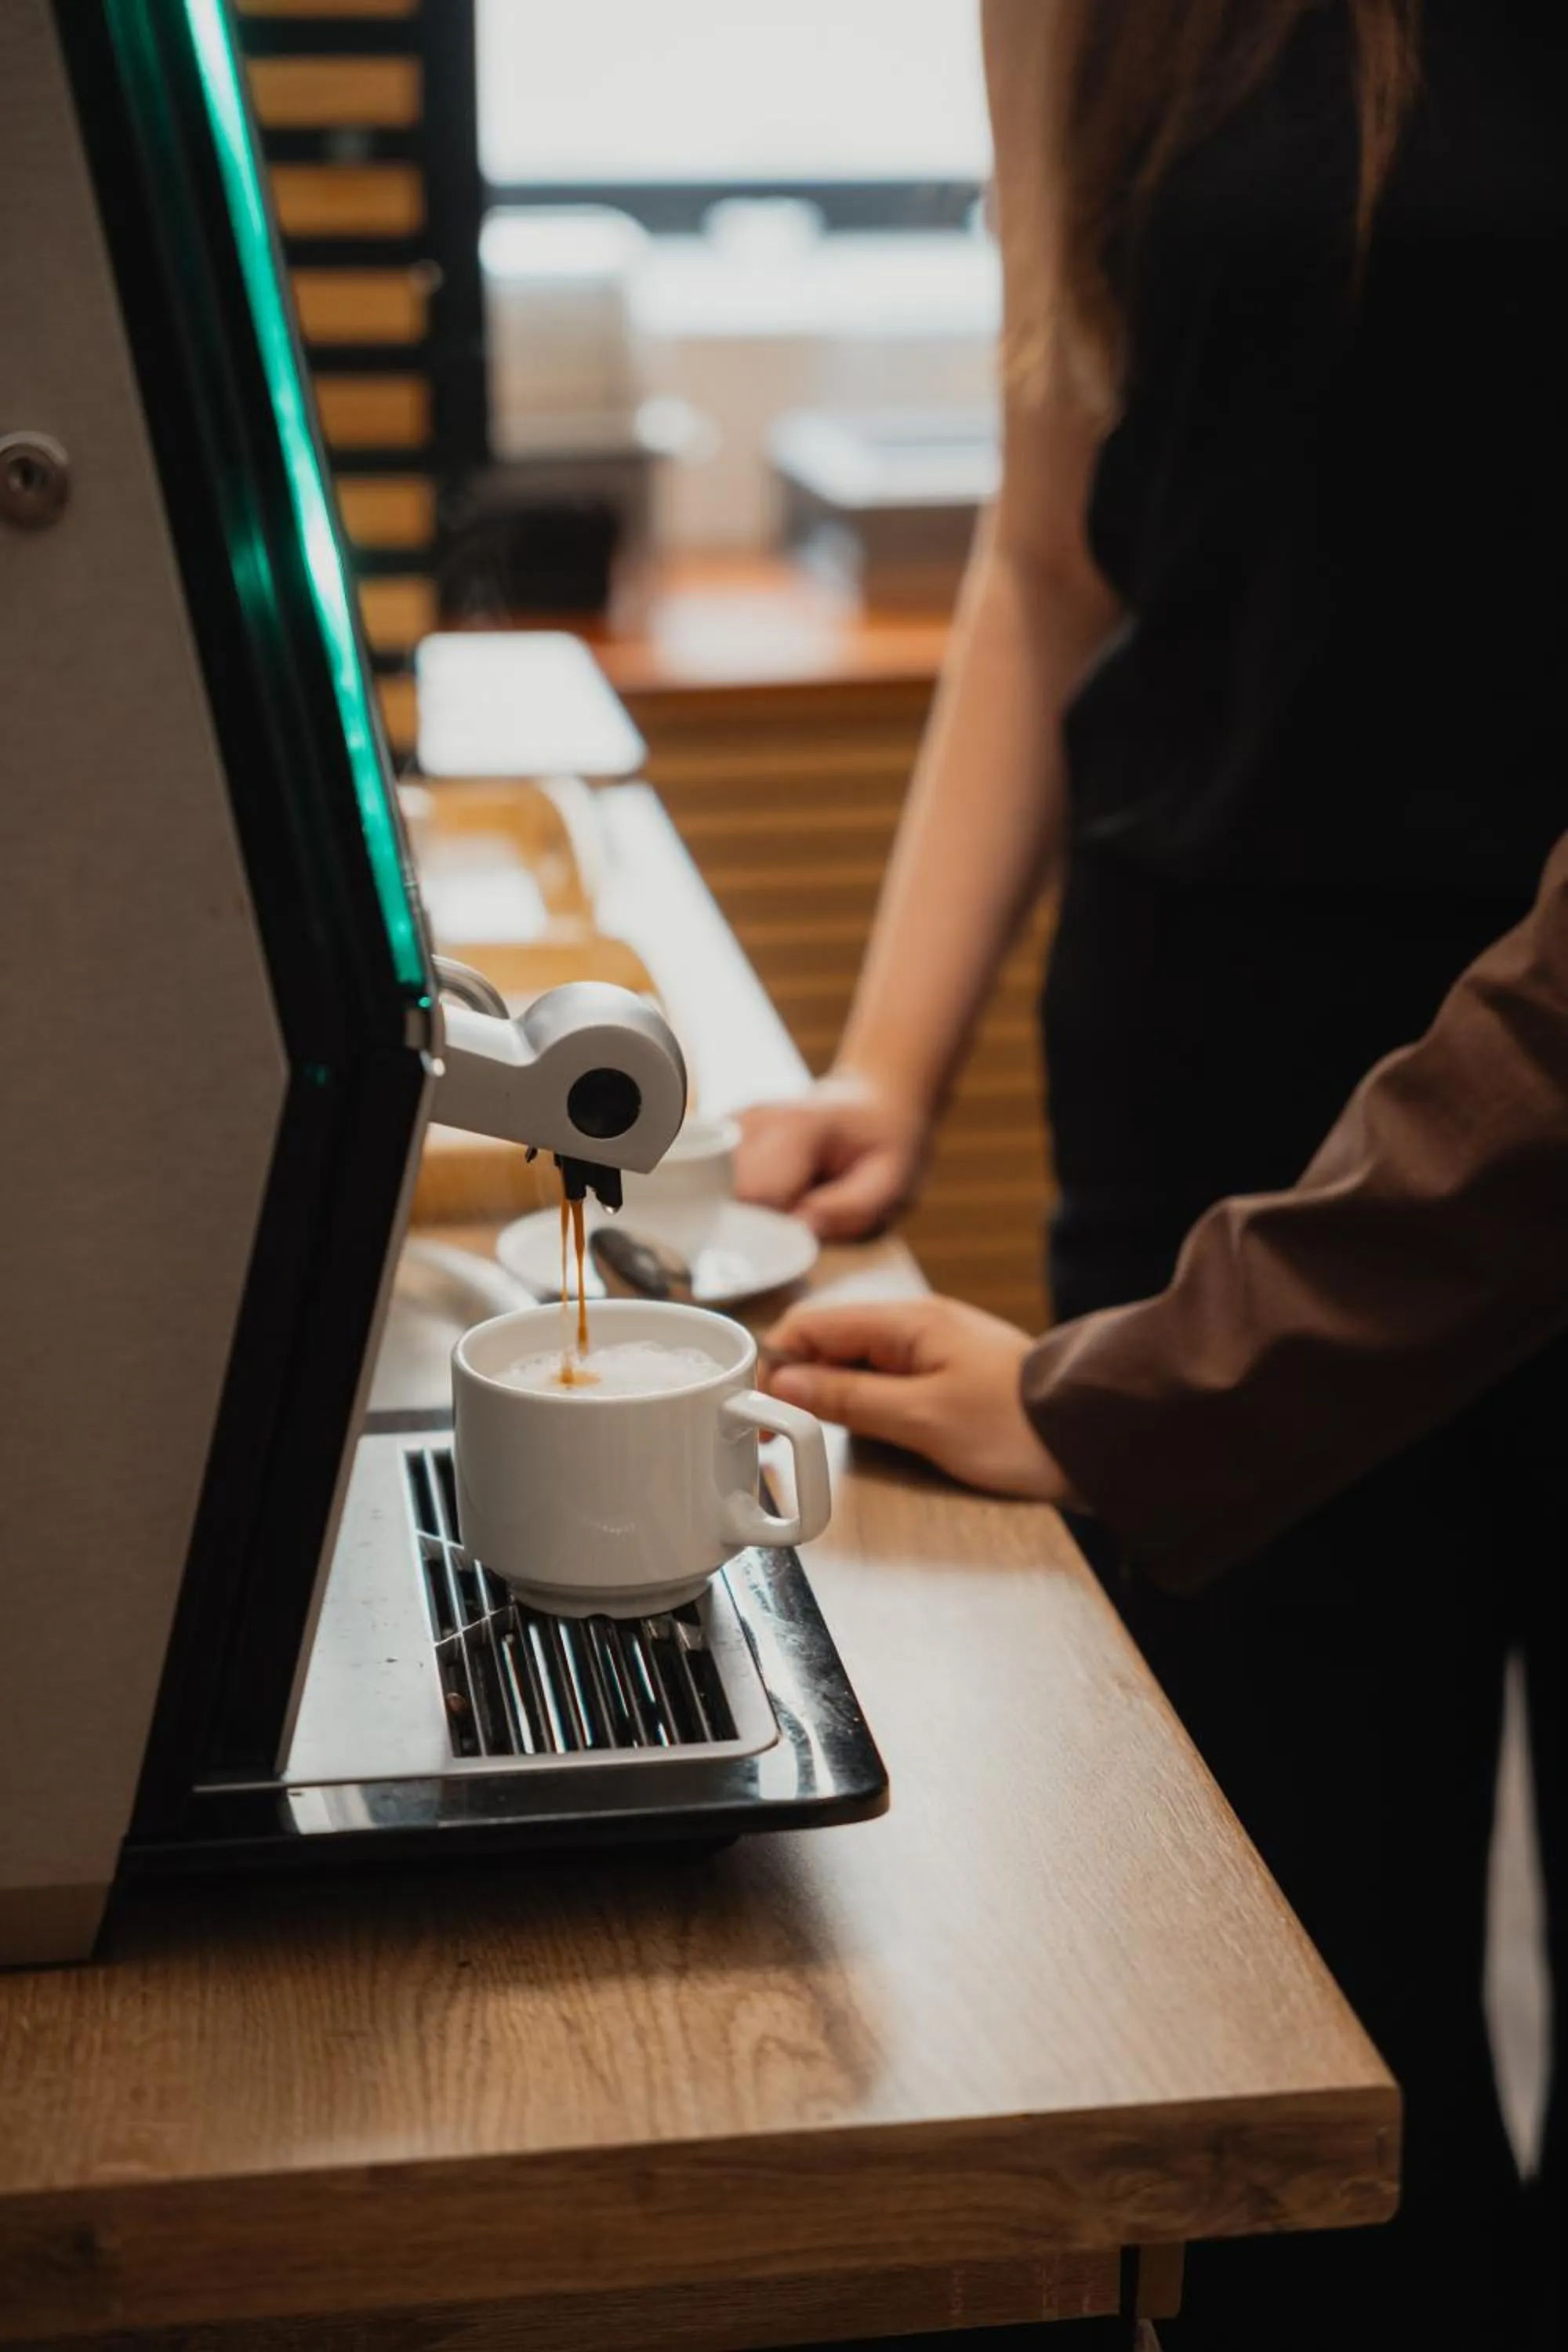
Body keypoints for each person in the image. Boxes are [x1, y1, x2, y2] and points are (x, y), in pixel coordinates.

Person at [737, 4, 1568, 2344]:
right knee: (1300, 2037)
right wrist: (886, 1067)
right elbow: (1049, 553)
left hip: (1538, 1095)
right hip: (1218, 1105)